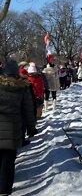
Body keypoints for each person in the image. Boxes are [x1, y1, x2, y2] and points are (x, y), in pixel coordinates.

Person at [0, 60, 37, 195]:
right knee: (8, 161)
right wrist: (31, 127)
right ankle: (4, 191)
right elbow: (28, 109)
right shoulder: (22, 87)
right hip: (13, 129)